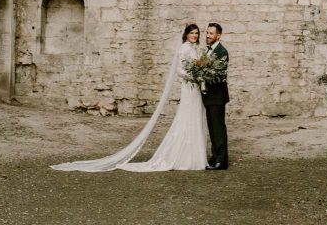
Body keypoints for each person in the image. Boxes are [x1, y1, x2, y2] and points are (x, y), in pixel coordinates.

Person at [51, 23, 207, 173]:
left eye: (196, 33)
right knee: (186, 116)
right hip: (189, 86)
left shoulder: (195, 48)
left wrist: (201, 72)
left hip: (195, 88)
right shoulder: (184, 48)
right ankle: (183, 156)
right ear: (186, 34)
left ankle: (192, 155)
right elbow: (180, 70)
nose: (194, 35)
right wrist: (195, 76)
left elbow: (196, 64)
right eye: (192, 33)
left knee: (194, 117)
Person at [202, 22, 230, 170]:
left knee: (218, 128)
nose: (207, 35)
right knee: (212, 128)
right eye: (207, 33)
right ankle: (215, 157)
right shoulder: (208, 51)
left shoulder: (221, 51)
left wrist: (202, 75)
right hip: (209, 96)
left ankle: (222, 161)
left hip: (217, 96)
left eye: (211, 33)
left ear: (218, 35)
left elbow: (219, 74)